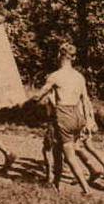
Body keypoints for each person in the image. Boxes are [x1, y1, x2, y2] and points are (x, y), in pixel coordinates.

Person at [28, 43, 94, 194]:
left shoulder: (55, 76)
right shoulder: (79, 77)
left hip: (63, 115)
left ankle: (86, 190)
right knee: (57, 150)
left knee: (69, 155)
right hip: (78, 115)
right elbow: (86, 99)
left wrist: (25, 101)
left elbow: (40, 95)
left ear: (59, 56)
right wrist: (90, 120)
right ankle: (55, 184)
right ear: (73, 58)